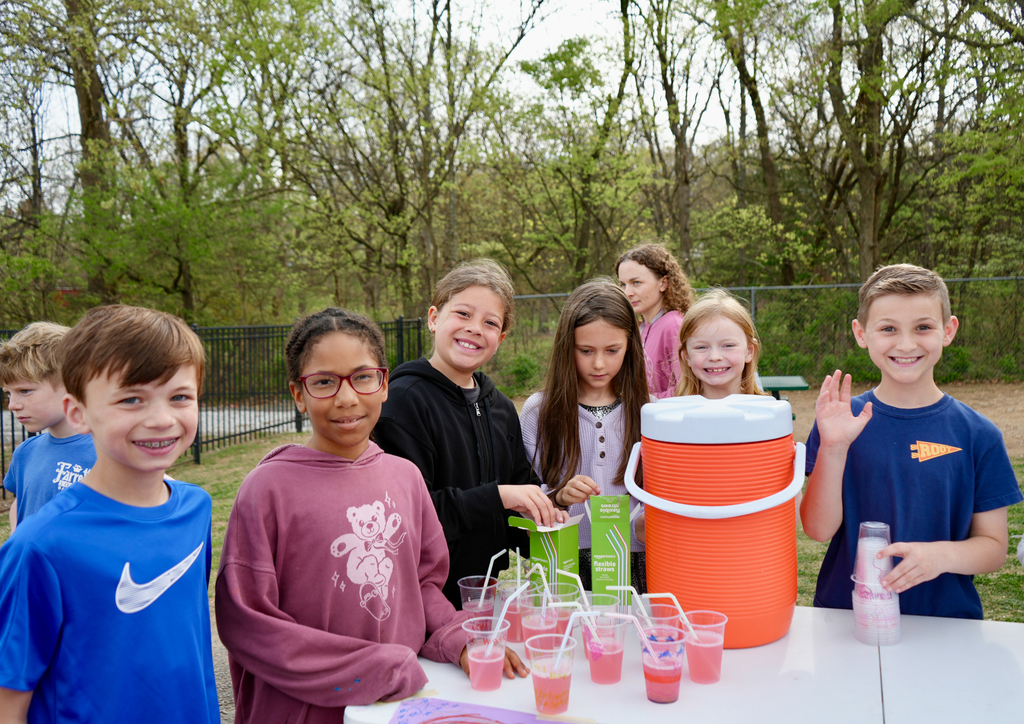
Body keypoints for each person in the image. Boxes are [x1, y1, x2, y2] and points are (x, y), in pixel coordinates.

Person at [216, 308, 526, 722]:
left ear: (383, 384)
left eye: (362, 377)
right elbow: (249, 623)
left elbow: (422, 586)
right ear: (297, 393)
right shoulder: (266, 490)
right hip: (300, 712)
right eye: (324, 382)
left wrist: (462, 638)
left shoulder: (406, 477)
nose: (347, 398)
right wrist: (372, 669)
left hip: (393, 708)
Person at [0, 305, 218, 722]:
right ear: (78, 411)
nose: (160, 419)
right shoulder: (40, 546)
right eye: (131, 399)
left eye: (179, 397)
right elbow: (9, 698)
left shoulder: (197, 508)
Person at [800, 264, 1023, 619]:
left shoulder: (980, 435)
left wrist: (941, 556)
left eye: (923, 327)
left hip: (945, 623)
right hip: (847, 616)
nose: (906, 344)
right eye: (888, 328)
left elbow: (994, 549)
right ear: (861, 333)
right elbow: (817, 529)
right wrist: (834, 448)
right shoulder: (840, 423)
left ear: (948, 331)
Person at [374, 260, 564, 608]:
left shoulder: (503, 408)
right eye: (462, 313)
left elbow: (520, 487)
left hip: (483, 593)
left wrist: (547, 509)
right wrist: (500, 496)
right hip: (420, 597)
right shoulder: (402, 403)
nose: (475, 328)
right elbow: (408, 515)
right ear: (434, 318)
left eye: (490, 323)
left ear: (501, 339)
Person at [520, 278, 649, 592]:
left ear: (631, 345)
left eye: (612, 350)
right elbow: (528, 498)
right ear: (567, 346)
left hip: (636, 559)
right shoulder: (539, 411)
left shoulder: (651, 413)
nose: (599, 363)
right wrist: (560, 497)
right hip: (564, 558)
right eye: (586, 350)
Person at [1, 322, 96, 531]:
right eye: (8, 393)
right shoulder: (25, 452)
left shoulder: (111, 452)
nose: (12, 405)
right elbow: (20, 506)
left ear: (72, 383)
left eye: (25, 391)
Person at [615, 243, 695, 398]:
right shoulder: (641, 327)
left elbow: (687, 389)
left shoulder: (674, 326)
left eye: (636, 283)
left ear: (663, 283)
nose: (627, 292)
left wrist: (642, 400)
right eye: (623, 284)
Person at [674, 288, 770, 399]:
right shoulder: (677, 413)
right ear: (687, 356)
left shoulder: (766, 412)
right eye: (701, 347)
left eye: (728, 346)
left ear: (749, 351)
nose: (715, 357)